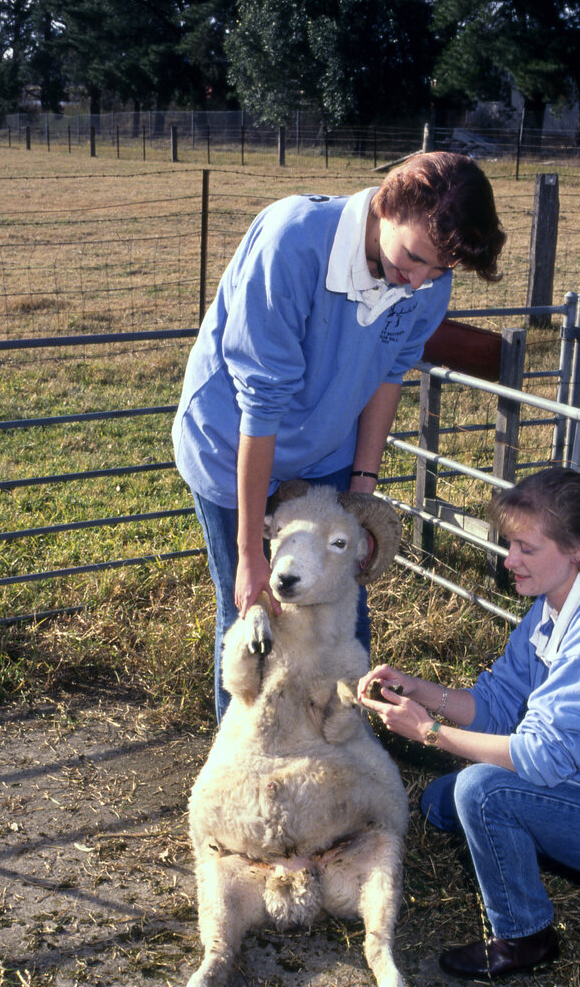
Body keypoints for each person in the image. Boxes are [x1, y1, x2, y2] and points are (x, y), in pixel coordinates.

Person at [172, 151, 506, 721]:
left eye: (438, 271)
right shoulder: (293, 242)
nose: (420, 281)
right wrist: (250, 552)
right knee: (253, 608)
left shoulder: (426, 278)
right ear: (386, 206)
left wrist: (360, 493)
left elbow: (388, 373)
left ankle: (343, 746)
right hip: (234, 443)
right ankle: (247, 757)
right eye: (414, 259)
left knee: (338, 601)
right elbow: (261, 401)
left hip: (324, 444)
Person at [358, 466, 580, 980]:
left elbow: (540, 759)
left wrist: (429, 732)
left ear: (578, 548)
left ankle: (524, 937)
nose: (508, 560)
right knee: (439, 802)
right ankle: (539, 842)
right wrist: (420, 690)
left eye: (525, 548)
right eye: (509, 544)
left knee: (481, 792)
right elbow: (497, 703)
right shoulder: (555, 603)